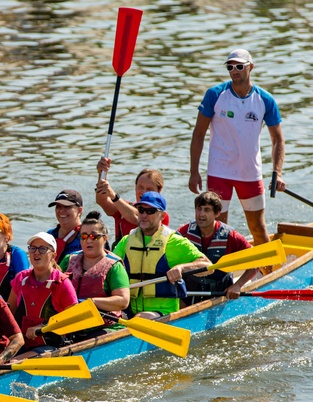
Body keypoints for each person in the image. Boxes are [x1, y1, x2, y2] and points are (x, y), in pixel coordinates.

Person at [189, 48, 285, 248]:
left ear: (251, 67)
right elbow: (198, 134)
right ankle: (222, 277)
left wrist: (277, 172)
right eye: (230, 67)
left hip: (249, 173)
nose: (234, 71)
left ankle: (270, 273)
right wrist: (194, 172)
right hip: (219, 171)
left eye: (239, 66)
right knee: (217, 230)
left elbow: (277, 140)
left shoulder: (265, 99)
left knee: (258, 229)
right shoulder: (215, 95)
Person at [112, 192, 211, 319]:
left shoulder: (174, 241)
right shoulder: (127, 240)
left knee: (140, 318)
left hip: (163, 311)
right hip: (130, 308)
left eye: (150, 211)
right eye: (141, 210)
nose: (144, 215)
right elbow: (109, 267)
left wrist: (181, 268)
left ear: (162, 216)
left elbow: (208, 266)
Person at [178, 191, 258, 301]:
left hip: (220, 294)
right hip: (189, 291)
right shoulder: (185, 232)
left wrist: (238, 285)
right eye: (199, 209)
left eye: (207, 210)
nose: (201, 214)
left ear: (217, 213)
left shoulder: (231, 236)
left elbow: (256, 262)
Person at [8, 232, 78, 355]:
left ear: (53, 256)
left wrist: (42, 326)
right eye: (33, 248)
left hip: (52, 345)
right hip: (22, 343)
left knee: (13, 361)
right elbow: (10, 314)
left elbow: (74, 319)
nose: (36, 252)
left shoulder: (62, 283)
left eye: (42, 249)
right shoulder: (20, 278)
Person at [60, 211, 130, 322]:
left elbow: (123, 301)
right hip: (70, 321)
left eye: (94, 236)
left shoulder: (114, 266)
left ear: (105, 238)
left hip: (104, 323)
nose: (88, 240)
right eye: (84, 236)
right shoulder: (68, 260)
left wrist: (91, 302)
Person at [95, 157, 171, 247]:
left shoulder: (161, 215)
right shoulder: (122, 207)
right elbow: (102, 200)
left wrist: (113, 195)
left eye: (149, 189)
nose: (144, 192)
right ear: (135, 187)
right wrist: (102, 174)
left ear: (159, 191)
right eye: (140, 187)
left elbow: (136, 218)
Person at [47, 190, 83, 263]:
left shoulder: (88, 236)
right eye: (58, 206)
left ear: (79, 210)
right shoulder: (50, 235)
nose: (61, 210)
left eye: (67, 206)